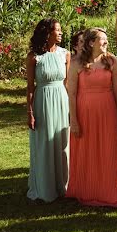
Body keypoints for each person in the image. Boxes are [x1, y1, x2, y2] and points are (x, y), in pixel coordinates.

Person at [65, 28, 117, 209]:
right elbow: (71, 93)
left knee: (111, 150)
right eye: (102, 40)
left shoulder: (112, 61)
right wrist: (74, 120)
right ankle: (87, 191)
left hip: (108, 111)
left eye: (106, 40)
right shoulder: (77, 63)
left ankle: (115, 192)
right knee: (87, 151)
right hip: (84, 112)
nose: (106, 43)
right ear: (90, 43)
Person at [25, 18, 70, 203]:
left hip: (61, 100)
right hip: (42, 101)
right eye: (57, 30)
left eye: (60, 30)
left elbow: (67, 84)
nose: (60, 33)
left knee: (62, 143)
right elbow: (29, 87)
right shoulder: (34, 57)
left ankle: (63, 186)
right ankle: (45, 187)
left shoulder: (65, 54)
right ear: (47, 33)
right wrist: (30, 112)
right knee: (44, 144)